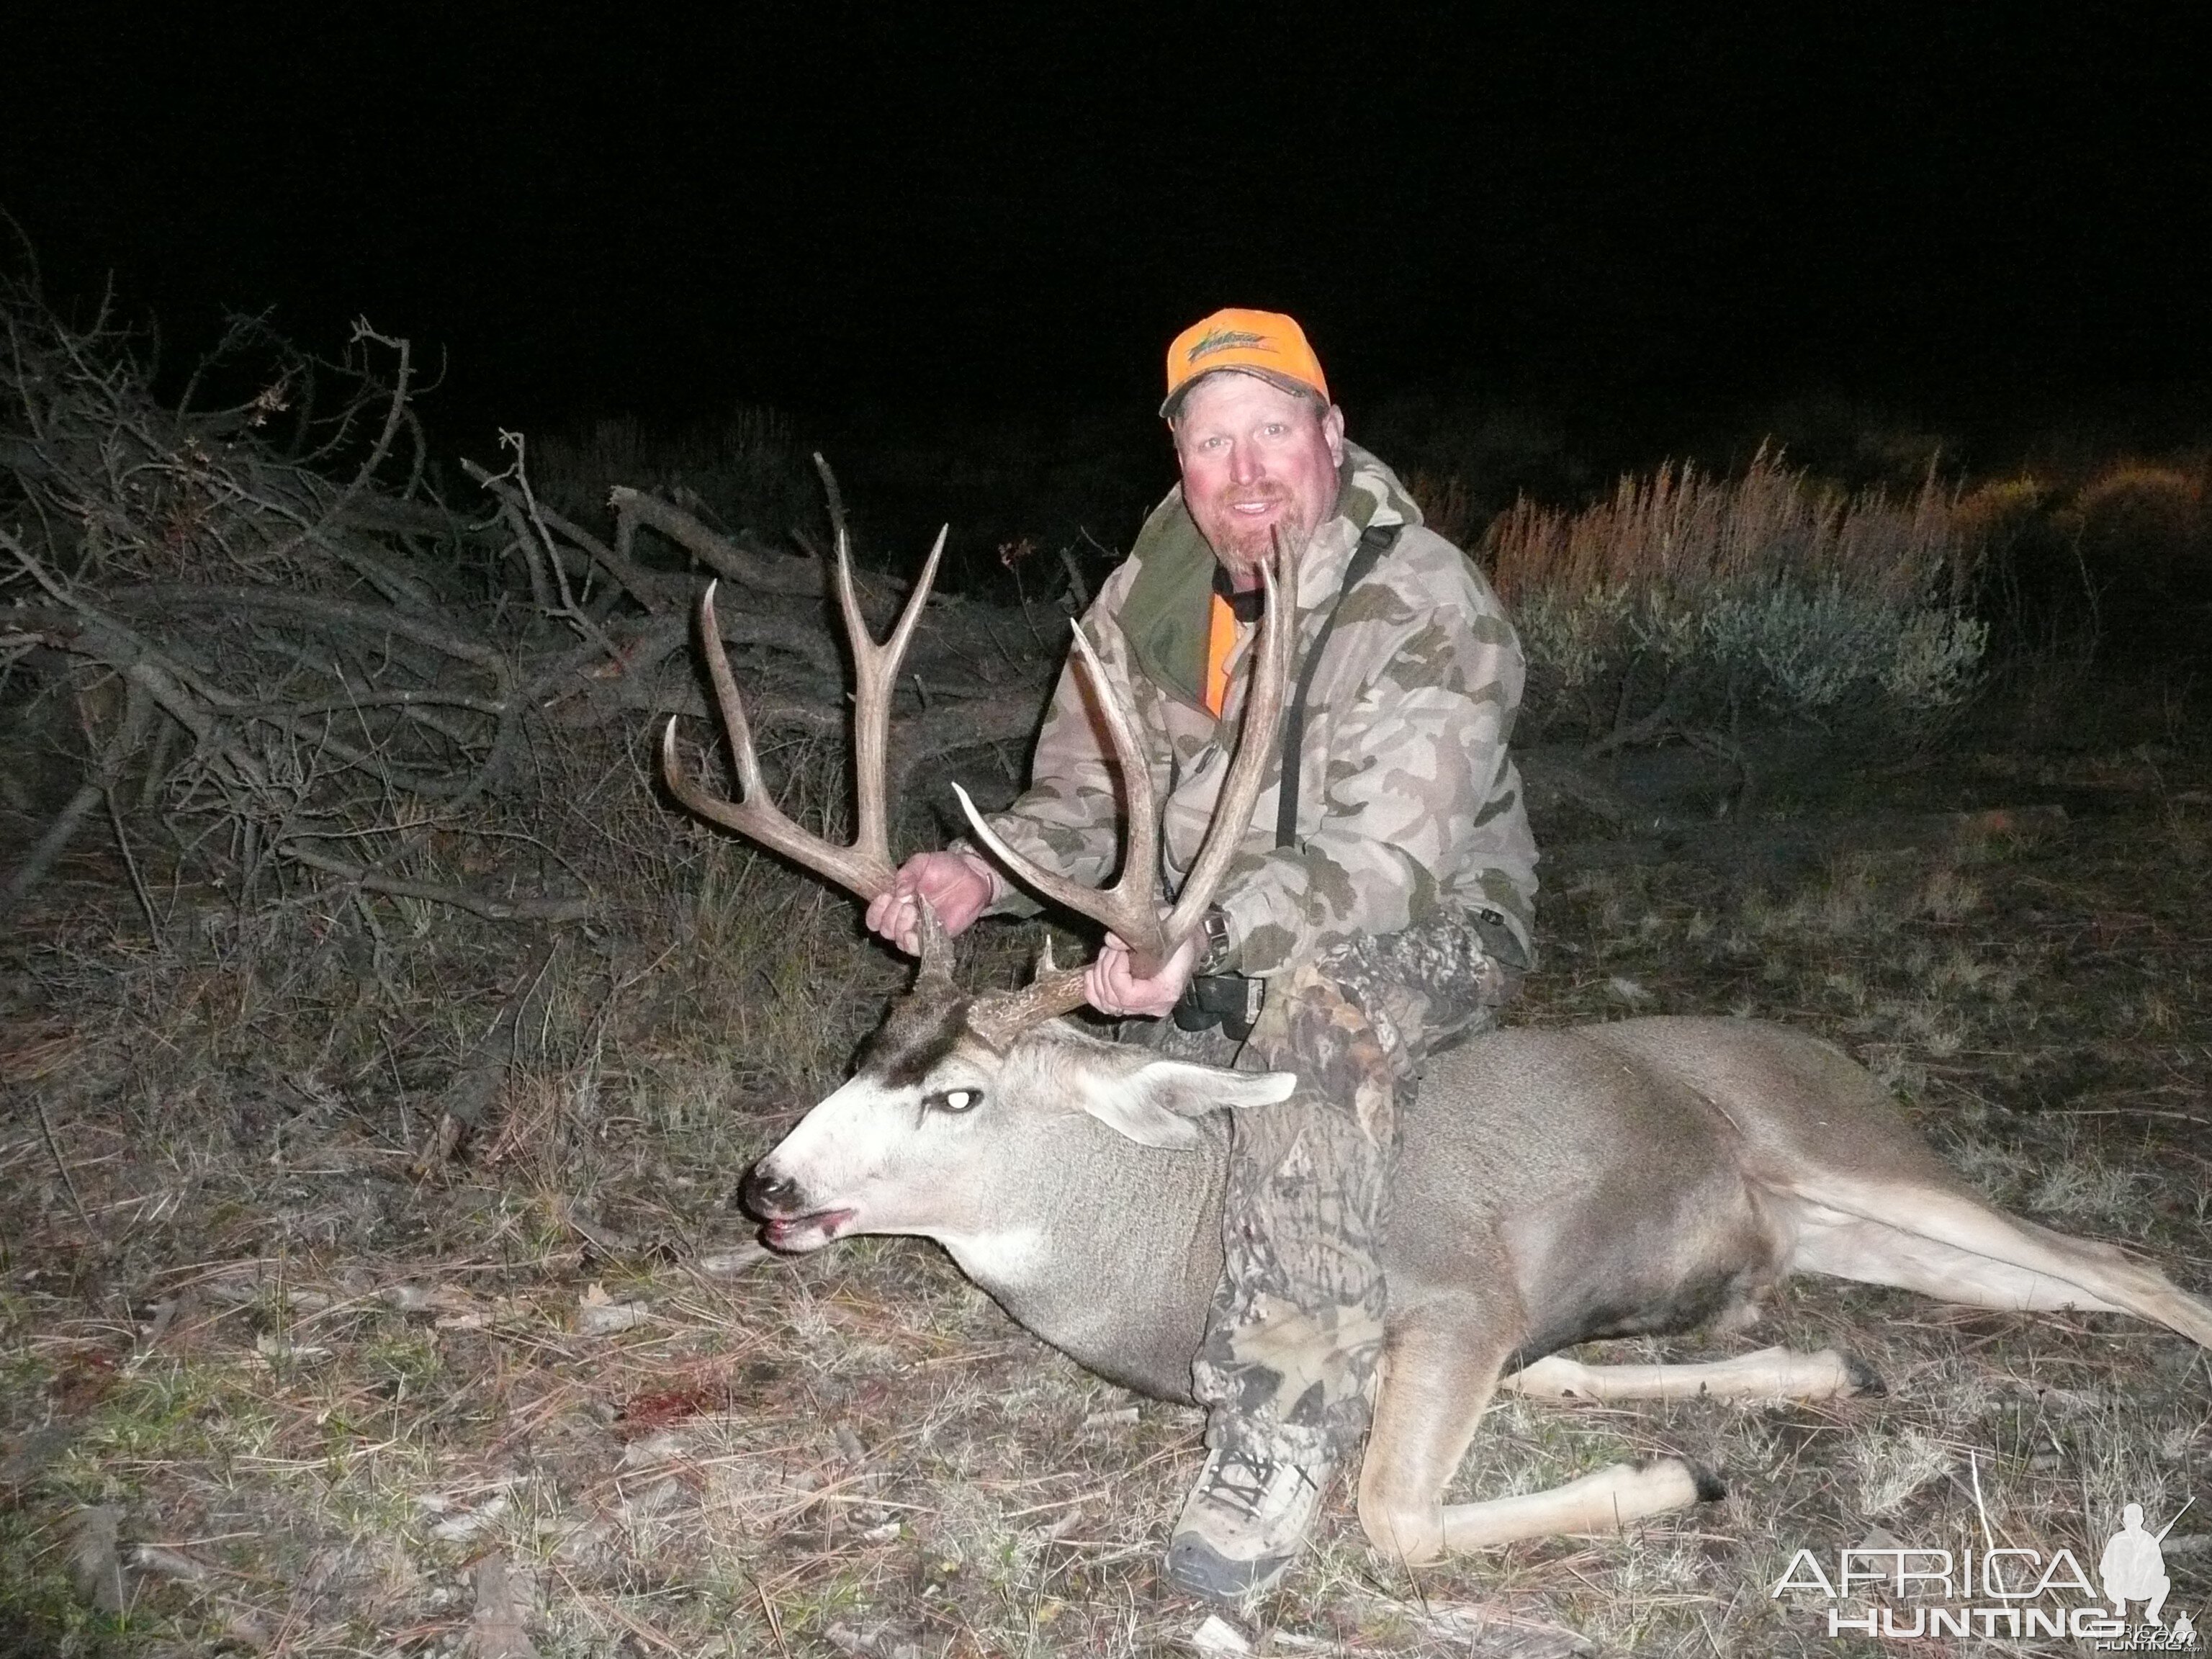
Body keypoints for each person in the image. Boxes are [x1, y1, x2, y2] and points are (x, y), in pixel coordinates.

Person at [866, 307, 1539, 1598]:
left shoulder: (1425, 599)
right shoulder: (1149, 598)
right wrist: (981, 873)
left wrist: (1206, 940)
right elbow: (1078, 802)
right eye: (1211, 442)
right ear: (1179, 462)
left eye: (1272, 432)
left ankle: (1285, 1423)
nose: (1245, 471)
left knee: (1307, 1020)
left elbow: (1388, 869)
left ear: (1330, 436)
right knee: (1037, 1042)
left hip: (1423, 927)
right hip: (1198, 931)